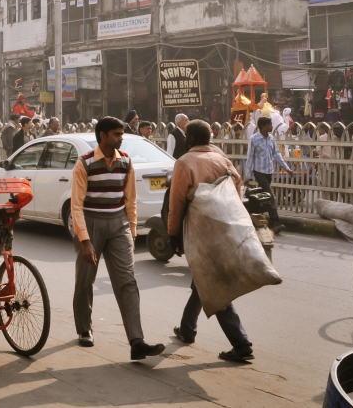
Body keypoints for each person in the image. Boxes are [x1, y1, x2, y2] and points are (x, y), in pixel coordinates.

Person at [70, 116, 164, 359]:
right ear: (103, 136)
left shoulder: (126, 162)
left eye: (122, 135)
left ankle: (137, 341)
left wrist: (131, 232)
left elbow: (130, 200)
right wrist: (85, 240)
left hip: (119, 225)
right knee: (85, 280)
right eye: (117, 135)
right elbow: (76, 206)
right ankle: (84, 329)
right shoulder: (85, 164)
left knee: (128, 283)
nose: (121, 139)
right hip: (91, 225)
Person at [167, 119, 253, 363]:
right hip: (226, 229)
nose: (184, 139)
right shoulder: (221, 158)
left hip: (201, 233)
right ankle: (187, 329)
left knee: (212, 285)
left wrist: (173, 235)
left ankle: (241, 342)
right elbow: (237, 187)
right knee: (201, 283)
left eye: (186, 136)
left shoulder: (184, 163)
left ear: (191, 139)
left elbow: (177, 204)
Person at [243, 115, 290, 232]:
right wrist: (247, 176)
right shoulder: (254, 139)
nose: (271, 126)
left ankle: (258, 218)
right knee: (271, 196)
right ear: (263, 126)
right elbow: (250, 158)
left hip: (269, 171)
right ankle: (275, 222)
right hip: (259, 172)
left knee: (264, 196)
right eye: (269, 124)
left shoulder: (271, 139)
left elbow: (277, 154)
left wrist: (287, 168)